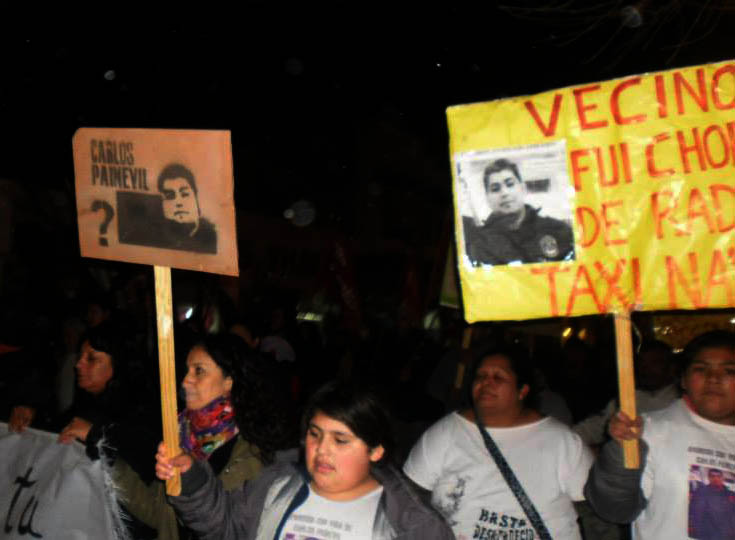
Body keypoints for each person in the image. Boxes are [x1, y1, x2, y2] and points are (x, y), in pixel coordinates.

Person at [156, 381, 455, 540]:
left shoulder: (413, 525)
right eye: (315, 434)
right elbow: (226, 527)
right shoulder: (276, 487)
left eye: (340, 440)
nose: (322, 450)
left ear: (375, 450)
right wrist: (192, 479)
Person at [115, 333, 294, 540]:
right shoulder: (180, 436)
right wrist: (111, 466)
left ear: (229, 381)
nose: (185, 381)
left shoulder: (257, 451)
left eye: (198, 371)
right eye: (187, 370)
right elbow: (159, 513)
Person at [404, 346, 593, 540]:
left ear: (522, 391)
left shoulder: (561, 440)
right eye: (480, 376)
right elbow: (409, 498)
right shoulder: (444, 433)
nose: (486, 383)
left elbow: (594, 503)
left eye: (498, 377)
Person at [584, 330, 735, 539]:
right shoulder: (650, 430)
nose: (713, 378)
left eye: (729, 371)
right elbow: (613, 508)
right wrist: (621, 453)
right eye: (701, 369)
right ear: (683, 379)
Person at [469, 158, 574, 266]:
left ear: (523, 189)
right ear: (487, 198)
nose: (504, 193)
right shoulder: (480, 245)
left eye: (510, 184)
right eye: (495, 189)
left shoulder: (557, 230)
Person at [573, 339, 679, 446]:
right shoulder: (626, 398)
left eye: (654, 363)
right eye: (642, 363)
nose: (646, 369)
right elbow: (593, 428)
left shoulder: (680, 400)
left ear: (671, 367)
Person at [157, 163, 217, 254]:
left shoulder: (212, 236)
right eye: (170, 196)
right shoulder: (156, 239)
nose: (178, 202)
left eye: (185, 194)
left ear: (196, 197)